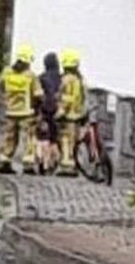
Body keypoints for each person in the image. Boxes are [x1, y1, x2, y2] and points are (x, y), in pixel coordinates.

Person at [0, 43, 44, 175]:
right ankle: (28, 165)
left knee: (9, 137)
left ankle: (4, 161)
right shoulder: (30, 76)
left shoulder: (7, 72)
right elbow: (38, 95)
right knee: (28, 138)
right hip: (26, 112)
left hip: (10, 111)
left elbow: (0, 86)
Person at [56, 49, 87, 177]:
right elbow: (82, 98)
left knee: (65, 141)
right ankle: (72, 164)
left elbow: (66, 98)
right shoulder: (80, 80)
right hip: (77, 116)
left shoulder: (66, 80)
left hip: (67, 116)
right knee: (73, 141)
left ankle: (66, 166)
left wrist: (60, 112)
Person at [37, 51, 63, 173]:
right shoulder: (62, 78)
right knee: (54, 137)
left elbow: (37, 94)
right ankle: (55, 160)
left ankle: (44, 163)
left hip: (44, 110)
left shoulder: (41, 77)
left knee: (43, 137)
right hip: (58, 110)